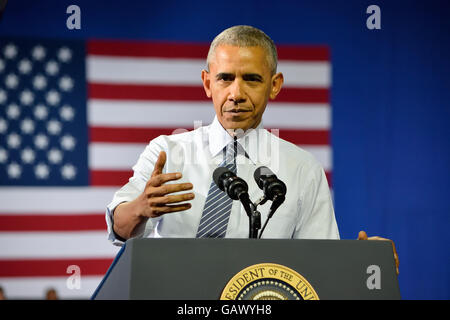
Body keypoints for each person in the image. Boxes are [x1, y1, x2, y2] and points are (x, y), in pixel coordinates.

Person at [106, 25, 399, 273]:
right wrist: (139, 208)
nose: (236, 94)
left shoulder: (302, 169)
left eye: (251, 79)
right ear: (208, 83)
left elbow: (319, 266)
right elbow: (120, 228)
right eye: (225, 78)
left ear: (274, 85)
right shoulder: (167, 152)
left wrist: (362, 263)